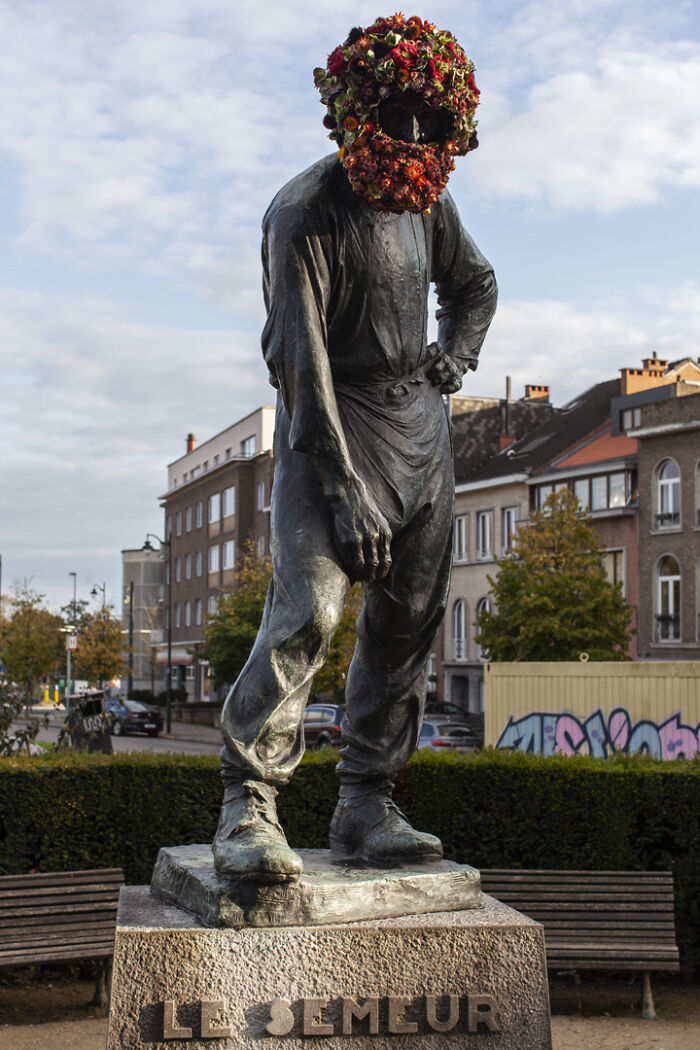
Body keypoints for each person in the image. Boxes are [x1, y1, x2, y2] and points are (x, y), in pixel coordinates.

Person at [214, 13, 497, 883]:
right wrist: (341, 485)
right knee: (311, 615)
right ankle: (248, 805)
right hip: (326, 432)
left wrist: (457, 354)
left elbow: (476, 285)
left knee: (408, 622)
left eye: (430, 121)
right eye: (399, 114)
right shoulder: (303, 213)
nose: (415, 138)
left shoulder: (427, 201)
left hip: (420, 431)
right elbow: (299, 366)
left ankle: (366, 801)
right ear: (356, 111)